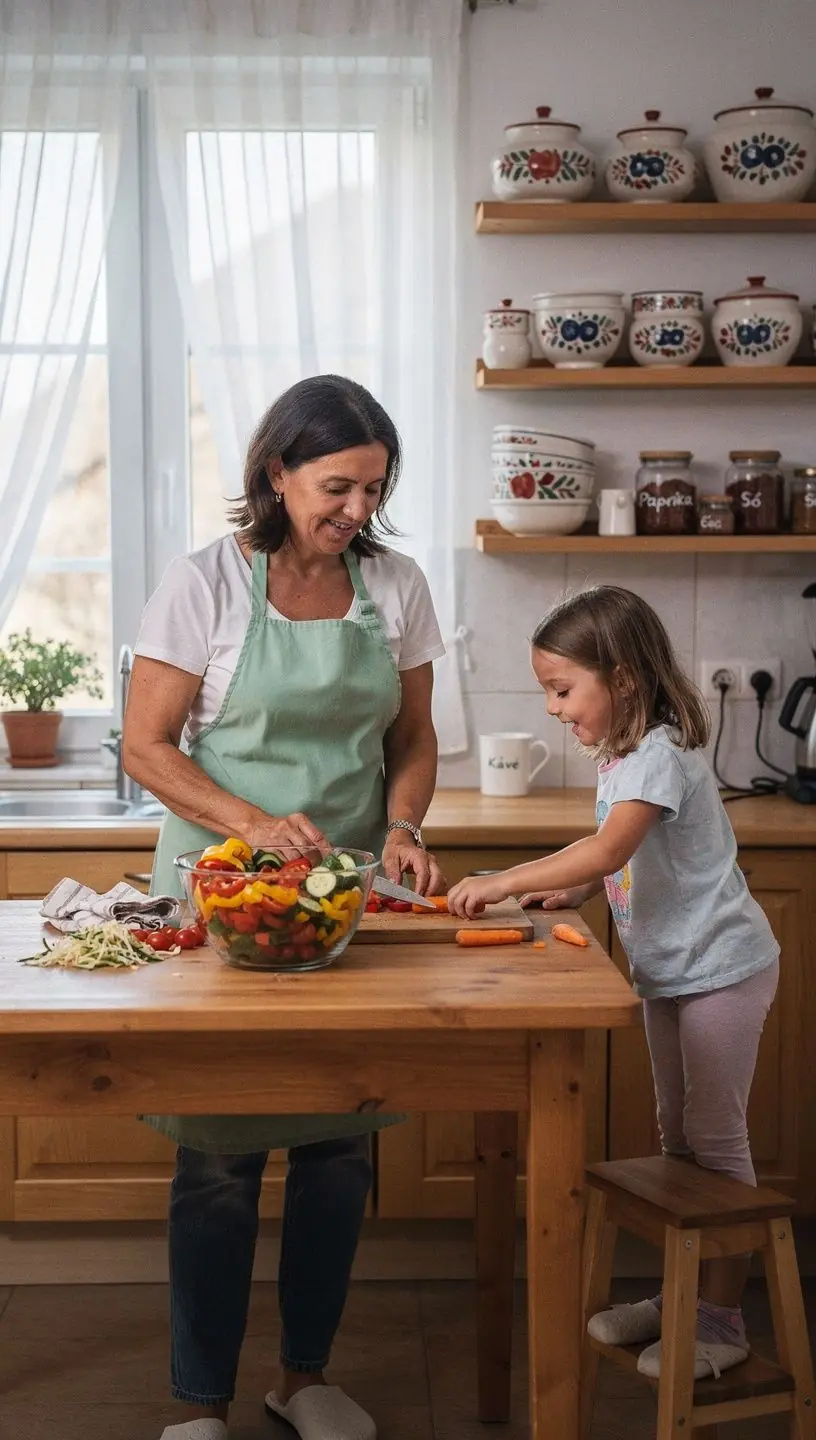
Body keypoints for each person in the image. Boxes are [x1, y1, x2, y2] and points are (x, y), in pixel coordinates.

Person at [124, 374, 446, 1440]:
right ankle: (199, 1403)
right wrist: (252, 824)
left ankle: (303, 1378)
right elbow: (146, 748)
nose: (358, 508)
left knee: (338, 1150)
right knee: (219, 1160)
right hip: (223, 903)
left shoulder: (395, 585)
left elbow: (414, 739)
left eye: (374, 489)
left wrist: (403, 826)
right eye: (337, 485)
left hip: (344, 902)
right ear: (277, 471)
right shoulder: (205, 582)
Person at [447, 585, 779, 1382]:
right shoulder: (624, 756)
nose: (554, 709)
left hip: (722, 972)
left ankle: (722, 1321)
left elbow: (606, 848)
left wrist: (505, 880)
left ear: (623, 678)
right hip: (673, 973)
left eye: (563, 690)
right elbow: (623, 857)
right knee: (680, 1141)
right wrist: (576, 889)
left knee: (717, 1145)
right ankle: (682, 1297)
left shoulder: (659, 752)